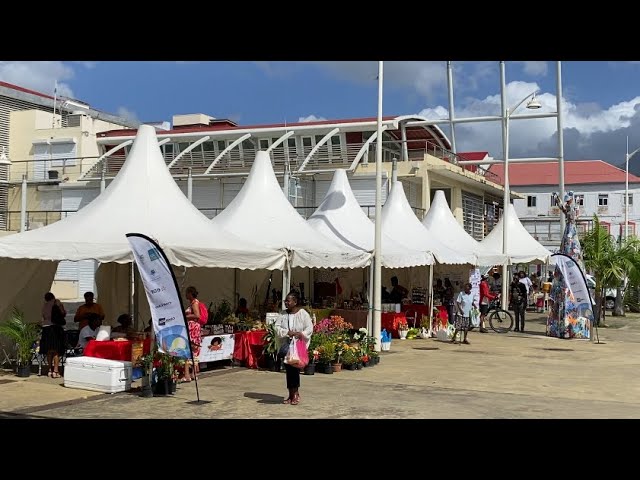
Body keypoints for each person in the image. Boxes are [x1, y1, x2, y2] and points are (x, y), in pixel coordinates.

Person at [275, 290, 313, 405]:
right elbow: (276, 328)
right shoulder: (283, 314)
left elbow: (309, 328)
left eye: (288, 301)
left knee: (294, 369)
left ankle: (295, 393)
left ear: (295, 302)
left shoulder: (303, 313)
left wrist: (300, 334)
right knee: (288, 370)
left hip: (297, 347)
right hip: (286, 346)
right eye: (285, 301)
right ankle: (290, 394)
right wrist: (287, 332)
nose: (286, 303)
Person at [40, 292, 67, 379]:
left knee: (49, 351)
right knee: (56, 350)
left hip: (46, 328)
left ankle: (49, 370)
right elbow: (63, 313)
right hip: (55, 328)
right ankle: (55, 371)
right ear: (53, 297)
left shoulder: (44, 306)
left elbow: (44, 317)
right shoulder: (57, 302)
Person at [183, 286, 202, 382]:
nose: (185, 295)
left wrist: (185, 316)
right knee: (194, 350)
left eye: (187, 293)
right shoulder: (194, 303)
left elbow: (197, 315)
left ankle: (187, 374)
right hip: (194, 328)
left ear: (190, 293)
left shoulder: (194, 303)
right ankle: (193, 373)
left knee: (188, 349)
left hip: (192, 329)